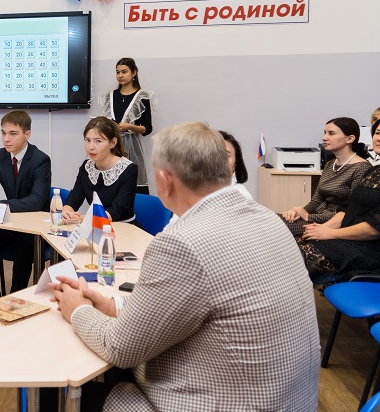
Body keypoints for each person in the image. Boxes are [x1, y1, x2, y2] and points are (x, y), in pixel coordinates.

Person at [51, 122, 319, 411]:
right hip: (288, 400)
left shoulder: (181, 244)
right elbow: (187, 302)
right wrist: (112, 305)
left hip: (219, 402)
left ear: (165, 180)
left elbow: (120, 348)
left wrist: (78, 309)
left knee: (56, 396)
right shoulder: (269, 219)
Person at [0, 110, 51, 301]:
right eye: (3, 133)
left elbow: (37, 200)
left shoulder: (40, 159)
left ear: (27, 134)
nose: (6, 139)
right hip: (11, 221)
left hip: (35, 225)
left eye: (13, 134)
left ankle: (14, 300)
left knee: (23, 249)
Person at [300, 118, 380, 287]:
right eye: (378, 133)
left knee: (298, 259)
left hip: (370, 249)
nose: (379, 138)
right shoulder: (373, 172)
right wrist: (322, 229)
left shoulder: (362, 168)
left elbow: (375, 228)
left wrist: (330, 233)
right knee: (289, 249)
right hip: (351, 238)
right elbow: (346, 210)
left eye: (331, 133)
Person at [282, 117, 370, 237]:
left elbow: (351, 211)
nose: (324, 138)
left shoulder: (362, 168)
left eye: (331, 133)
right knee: (272, 220)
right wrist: (299, 212)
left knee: (276, 227)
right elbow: (316, 201)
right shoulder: (330, 164)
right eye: (325, 133)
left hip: (335, 225)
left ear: (350, 139)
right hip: (317, 218)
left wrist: (308, 216)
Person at [62, 117, 138, 223]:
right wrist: (66, 212)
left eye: (98, 141)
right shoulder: (86, 166)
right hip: (95, 225)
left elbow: (117, 211)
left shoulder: (129, 169)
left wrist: (84, 219)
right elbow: (74, 198)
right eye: (87, 140)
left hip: (122, 226)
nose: (91, 147)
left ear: (113, 143)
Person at [99, 57, 154, 194]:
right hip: (112, 146)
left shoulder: (142, 96)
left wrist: (129, 127)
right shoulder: (111, 96)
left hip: (132, 148)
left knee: (133, 186)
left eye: (124, 72)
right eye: (117, 72)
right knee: (109, 186)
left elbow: (147, 128)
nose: (120, 76)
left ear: (134, 73)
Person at [219, 130, 253, 200]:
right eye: (214, 154)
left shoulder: (240, 194)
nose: (220, 160)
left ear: (235, 164)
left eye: (226, 155)